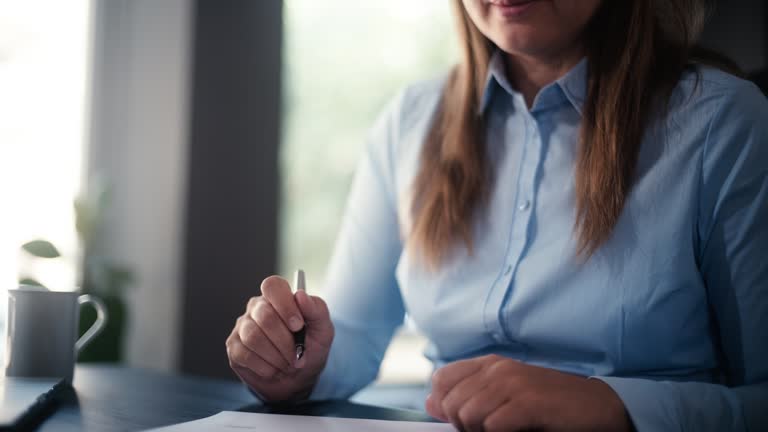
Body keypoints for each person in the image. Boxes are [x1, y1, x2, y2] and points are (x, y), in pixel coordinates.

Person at [226, 0, 768, 430]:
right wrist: (295, 361)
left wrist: (613, 406)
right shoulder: (409, 123)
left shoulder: (721, 126)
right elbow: (352, 336)